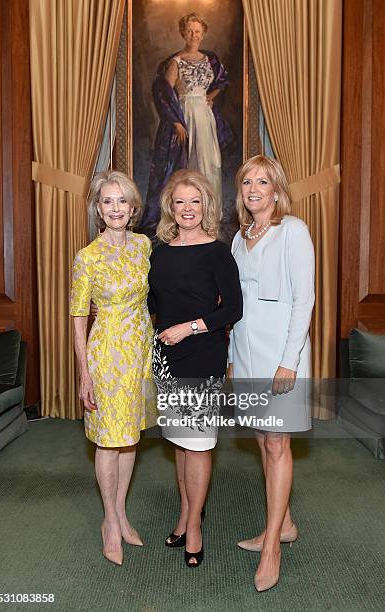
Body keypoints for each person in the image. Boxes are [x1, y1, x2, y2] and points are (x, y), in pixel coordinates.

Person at [228, 155, 315, 591]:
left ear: (277, 189)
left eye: (262, 181)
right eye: (247, 181)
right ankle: (283, 524)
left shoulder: (293, 230)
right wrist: (229, 354)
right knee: (263, 440)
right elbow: (233, 304)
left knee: (277, 442)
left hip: (281, 354)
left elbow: (304, 300)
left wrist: (289, 360)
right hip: (245, 352)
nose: (254, 188)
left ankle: (272, 548)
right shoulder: (240, 238)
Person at [148, 169, 242, 567]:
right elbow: (151, 300)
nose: (187, 209)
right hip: (166, 357)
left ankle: (196, 527)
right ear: (171, 206)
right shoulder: (160, 249)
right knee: (179, 442)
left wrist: (189, 328)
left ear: (206, 206)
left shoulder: (218, 251)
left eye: (196, 201)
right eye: (180, 201)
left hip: (202, 354)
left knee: (198, 443)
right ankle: (186, 514)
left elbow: (233, 308)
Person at [70, 171, 156, 566]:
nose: (116, 208)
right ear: (98, 210)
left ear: (133, 207)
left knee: (130, 435)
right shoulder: (86, 257)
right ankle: (108, 520)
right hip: (106, 354)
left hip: (140, 352)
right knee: (109, 438)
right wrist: (84, 374)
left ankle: (121, 512)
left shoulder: (143, 246)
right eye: (107, 201)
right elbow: (77, 319)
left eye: (122, 201)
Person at [139, 12, 234, 235]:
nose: (194, 35)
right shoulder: (176, 61)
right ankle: (184, 219)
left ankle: (209, 216)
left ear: (203, 34)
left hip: (205, 117)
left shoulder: (210, 60)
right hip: (185, 115)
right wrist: (176, 122)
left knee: (209, 163)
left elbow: (222, 80)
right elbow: (162, 94)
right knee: (188, 164)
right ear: (183, 33)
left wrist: (210, 97)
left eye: (197, 31)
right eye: (190, 31)